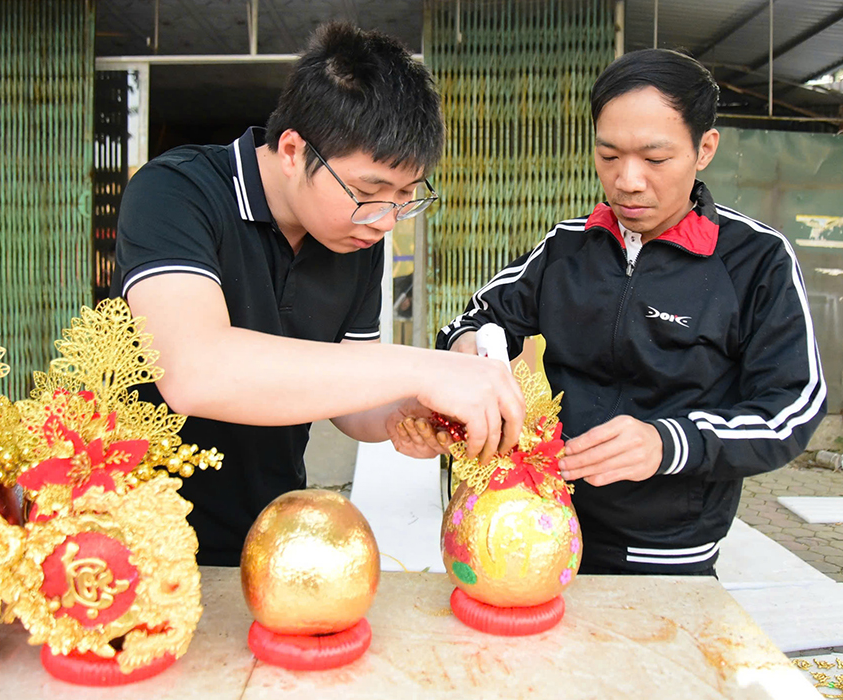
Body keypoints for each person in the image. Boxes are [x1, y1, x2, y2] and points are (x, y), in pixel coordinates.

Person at [110, 22, 525, 566]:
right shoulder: (175, 193)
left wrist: (415, 410)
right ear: (291, 150)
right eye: (368, 192)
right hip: (140, 539)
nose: (385, 220)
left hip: (274, 533)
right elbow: (195, 372)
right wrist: (424, 369)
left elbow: (353, 404)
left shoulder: (355, 237)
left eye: (405, 198)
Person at [436, 49, 827, 576]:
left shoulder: (755, 259)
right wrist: (468, 353)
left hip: (667, 553)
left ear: (704, 148)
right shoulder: (567, 248)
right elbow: (474, 319)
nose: (628, 180)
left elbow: (793, 406)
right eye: (608, 155)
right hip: (539, 526)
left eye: (656, 158)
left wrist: (669, 442)